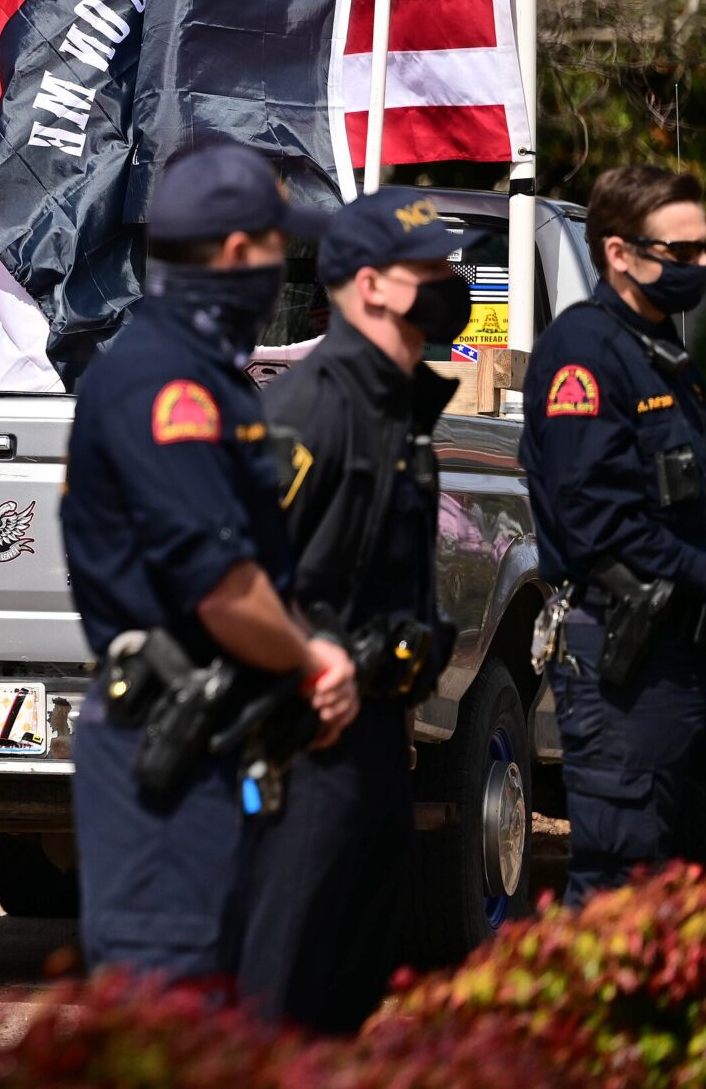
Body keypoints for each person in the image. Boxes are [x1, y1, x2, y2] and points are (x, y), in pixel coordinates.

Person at [58, 142, 358, 982]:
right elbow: (223, 588)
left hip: (219, 734)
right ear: (235, 253)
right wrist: (310, 658)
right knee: (172, 1004)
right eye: (276, 245)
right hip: (170, 740)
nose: (284, 264)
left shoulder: (200, 372)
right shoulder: (168, 384)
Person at [238, 188, 472, 1032]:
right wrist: (308, 661)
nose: (453, 282)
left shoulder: (394, 407)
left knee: (346, 997)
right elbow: (238, 574)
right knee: (284, 1000)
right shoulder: (313, 407)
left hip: (375, 735)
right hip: (308, 743)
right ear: (370, 284)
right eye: (432, 270)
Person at [521, 163, 706, 904]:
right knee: (621, 884)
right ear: (619, 252)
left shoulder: (666, 353)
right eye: (681, 252)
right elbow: (596, 522)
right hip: (624, 654)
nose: (698, 267)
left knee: (678, 886)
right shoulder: (584, 353)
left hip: (679, 651)